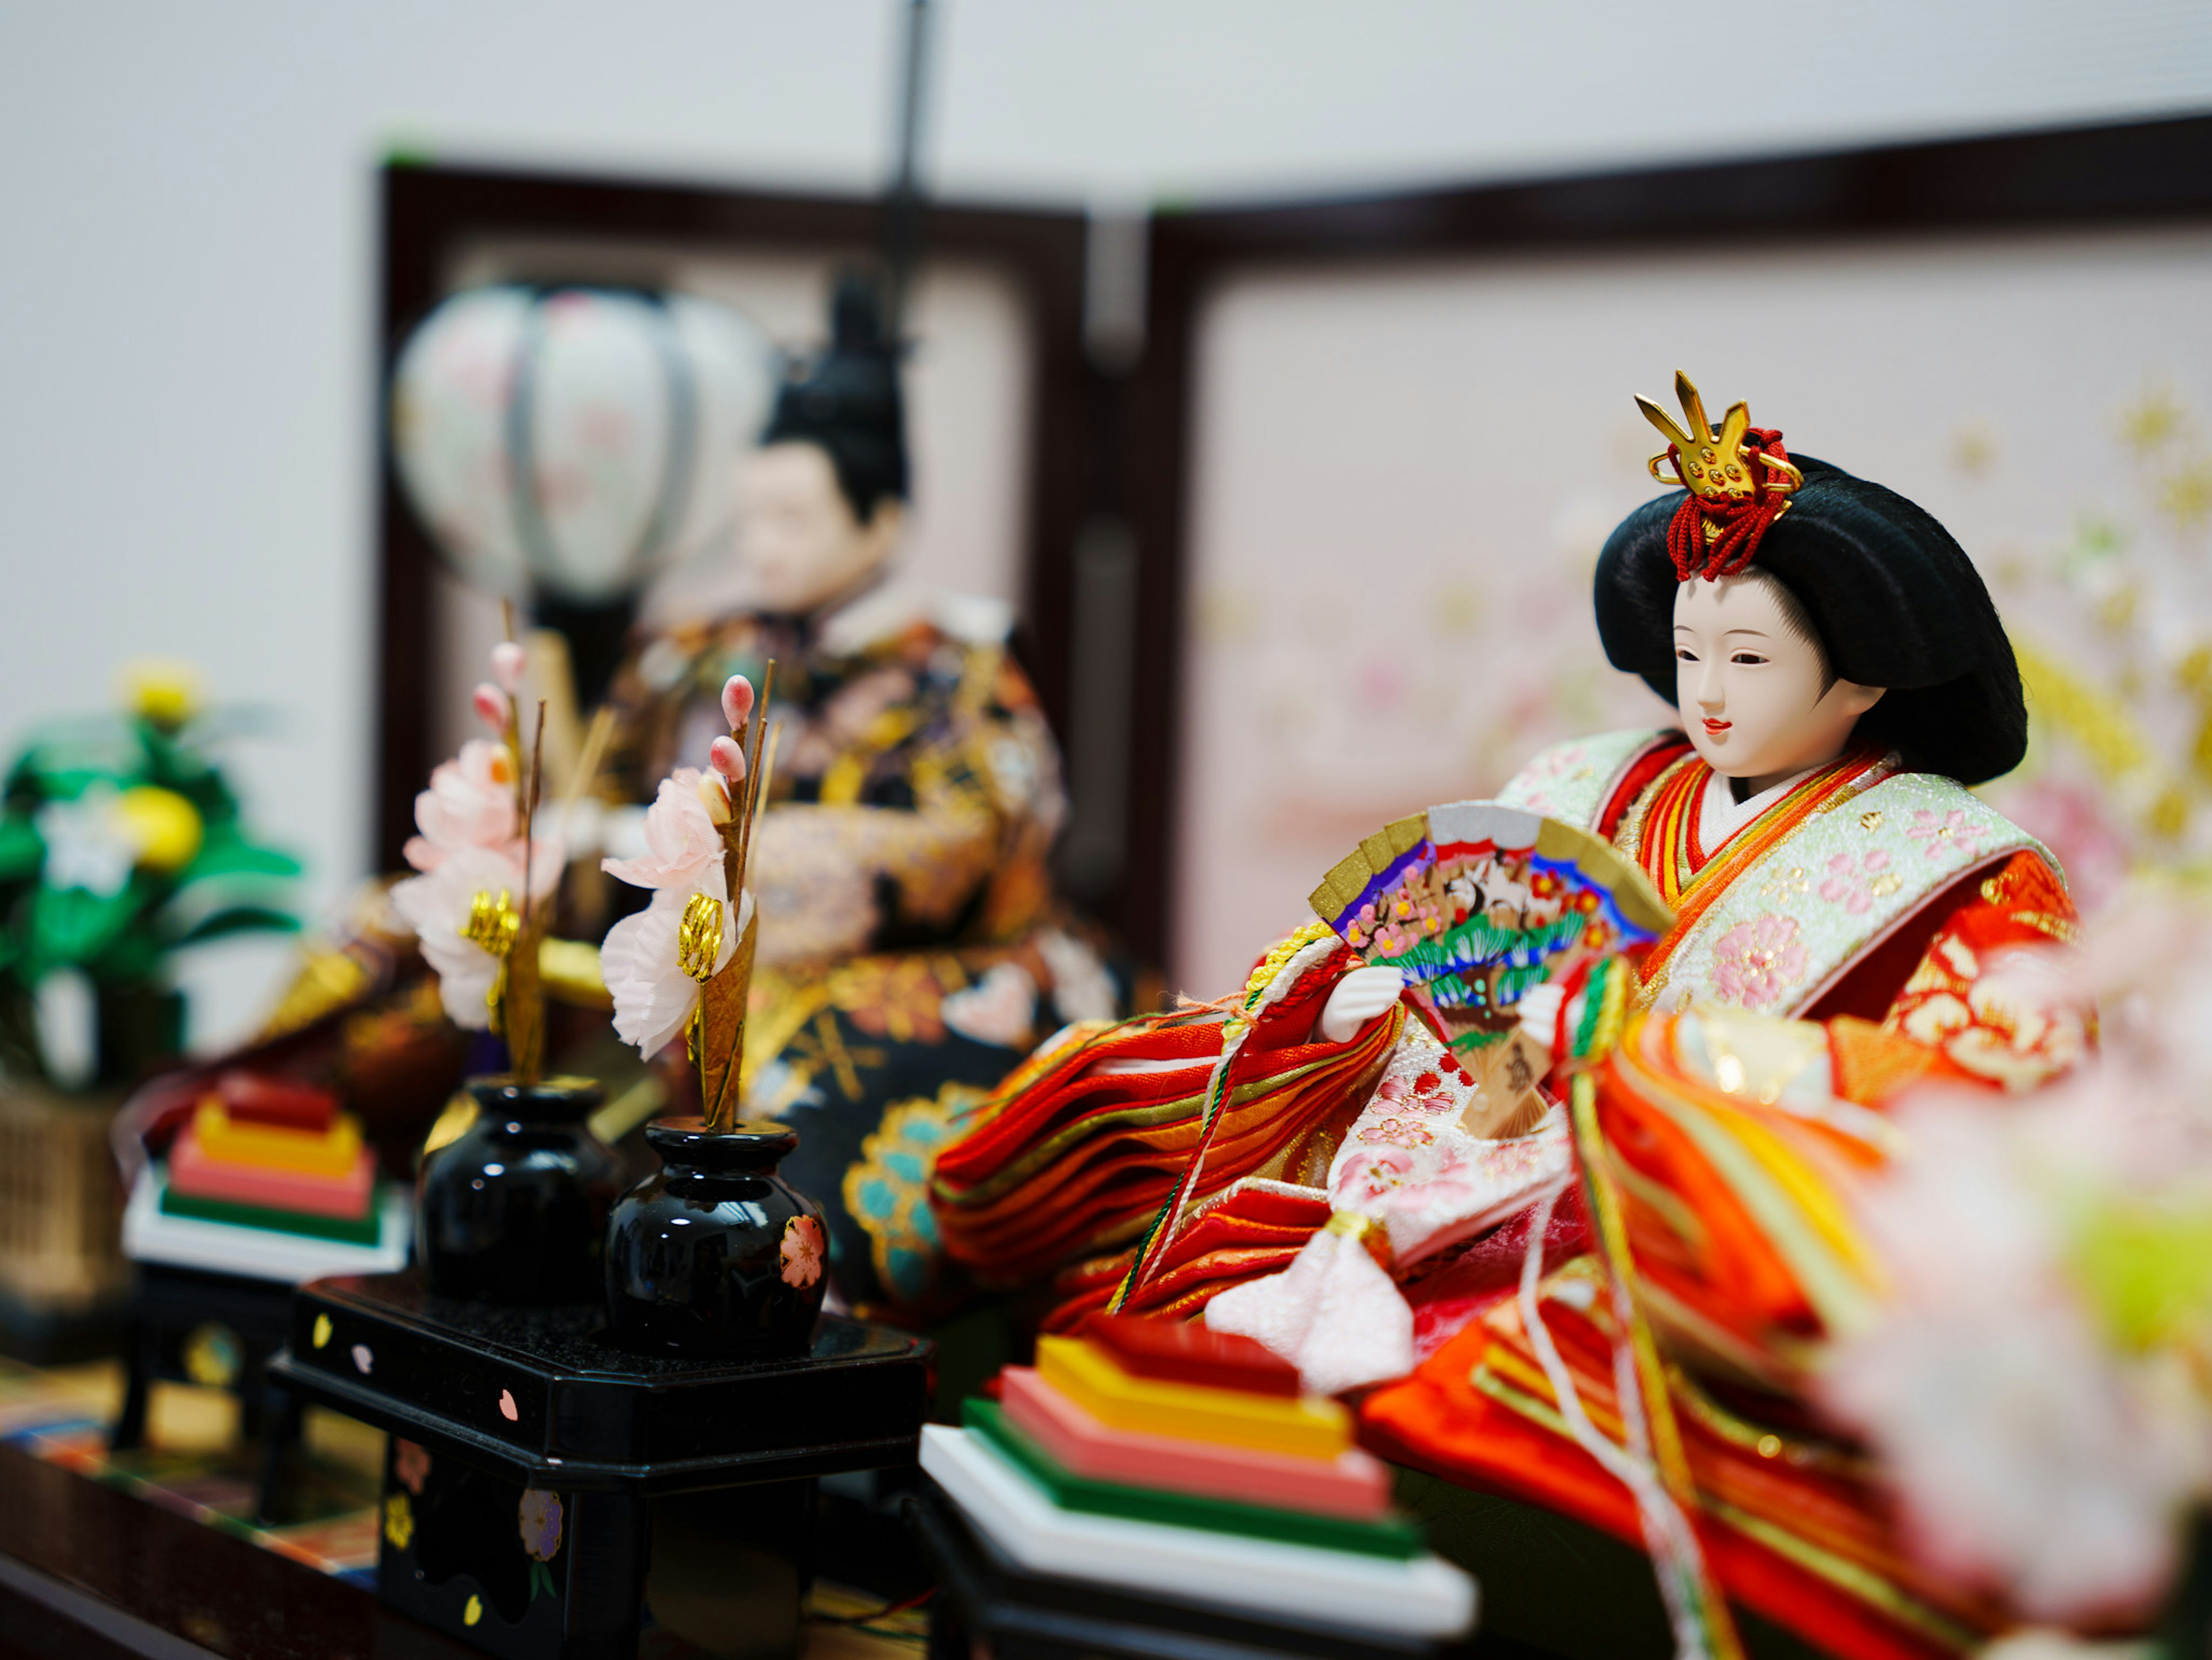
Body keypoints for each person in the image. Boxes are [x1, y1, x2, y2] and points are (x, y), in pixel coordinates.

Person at [932, 372, 2085, 1352]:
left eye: (1750, 655)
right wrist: (1350, 1010)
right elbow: (1445, 997)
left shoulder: (1961, 870)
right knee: (1160, 1253)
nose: (1712, 694)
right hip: (1452, 1164)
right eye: (1691, 652)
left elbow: (1996, 1097)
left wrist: (1670, 1060)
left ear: (1868, 675)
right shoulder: (1586, 785)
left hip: (1664, 1233)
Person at [601, 274, 1119, 1316]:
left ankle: (790, 1324)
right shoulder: (694, 648)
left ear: (882, 522)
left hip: (931, 965)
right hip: (700, 940)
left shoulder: (955, 664)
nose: (763, 545)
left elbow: (979, 834)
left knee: (799, 1061)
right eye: (751, 517)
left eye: (793, 517)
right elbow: (609, 786)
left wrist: (751, 863)